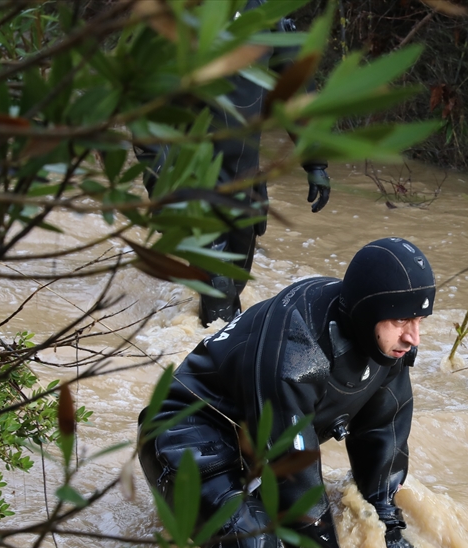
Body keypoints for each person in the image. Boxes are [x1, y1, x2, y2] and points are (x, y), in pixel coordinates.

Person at [139, 238, 438, 548]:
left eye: (418, 320)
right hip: (182, 433)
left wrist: (389, 531)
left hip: (250, 446)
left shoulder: (388, 343)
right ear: (366, 311)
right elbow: (295, 486)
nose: (413, 336)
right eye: (400, 320)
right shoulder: (296, 351)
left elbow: (382, 434)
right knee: (248, 535)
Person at [136, 0, 330, 326]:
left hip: (244, 180)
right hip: (189, 180)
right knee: (219, 288)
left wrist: (315, 162)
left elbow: (296, 89)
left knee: (235, 285)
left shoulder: (266, 16)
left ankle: (213, 354)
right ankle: (199, 364)